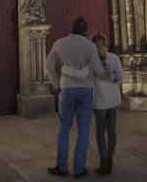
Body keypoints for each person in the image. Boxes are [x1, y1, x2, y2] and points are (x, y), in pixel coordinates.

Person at [45, 17, 105, 179]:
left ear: (71, 28)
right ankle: (79, 169)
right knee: (84, 130)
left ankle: (62, 167)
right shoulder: (90, 46)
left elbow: (48, 66)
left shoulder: (59, 43)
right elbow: (99, 71)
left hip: (66, 89)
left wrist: (56, 84)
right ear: (85, 30)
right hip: (85, 91)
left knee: (64, 129)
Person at [92, 34, 123, 175]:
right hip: (112, 99)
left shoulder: (91, 60)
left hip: (99, 101)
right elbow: (120, 78)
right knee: (112, 131)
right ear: (106, 44)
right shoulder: (114, 58)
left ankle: (104, 160)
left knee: (100, 132)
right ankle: (109, 158)